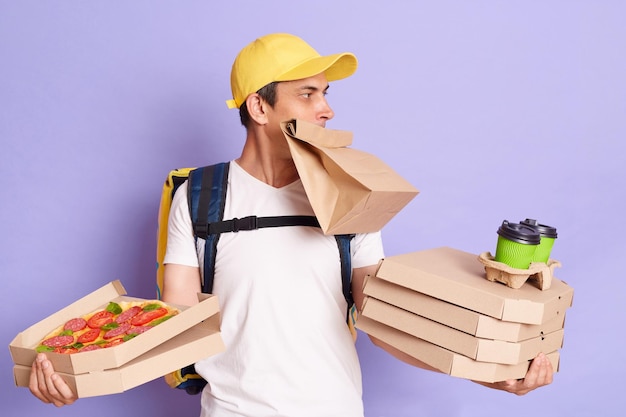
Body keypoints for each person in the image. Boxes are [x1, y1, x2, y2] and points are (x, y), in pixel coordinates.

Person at [29, 33, 554, 415]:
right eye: (307, 94)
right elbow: (175, 324)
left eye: (326, 94)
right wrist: (84, 378)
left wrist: (489, 372)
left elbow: (388, 323)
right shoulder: (201, 197)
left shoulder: (352, 196)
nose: (326, 109)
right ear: (260, 106)